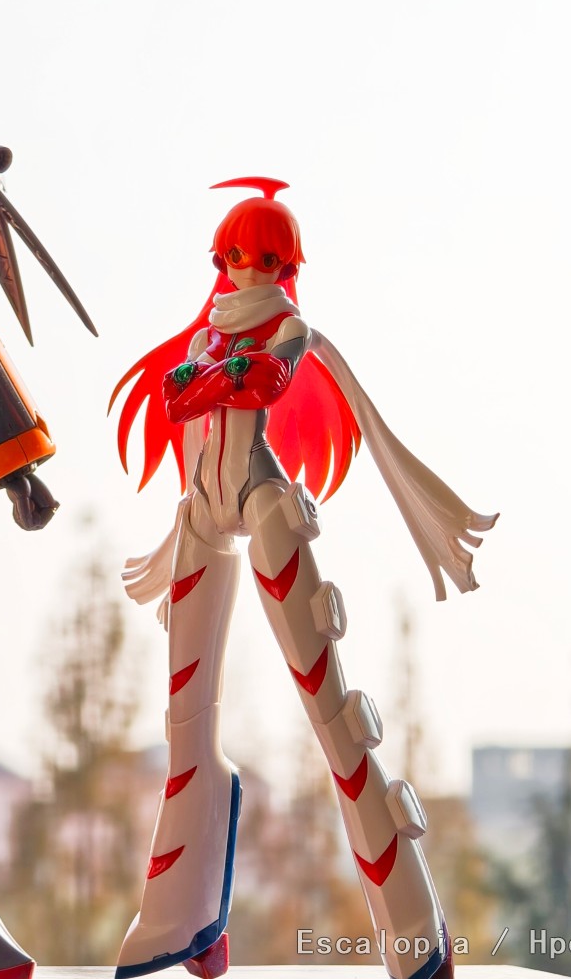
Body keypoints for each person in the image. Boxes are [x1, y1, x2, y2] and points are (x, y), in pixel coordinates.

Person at [110, 178, 495, 979]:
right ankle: (186, 915)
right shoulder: (210, 335)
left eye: (261, 258)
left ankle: (412, 926)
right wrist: (218, 377)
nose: (246, 269)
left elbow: (262, 384)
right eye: (234, 256)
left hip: (263, 499)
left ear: (283, 264)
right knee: (186, 719)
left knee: (332, 710)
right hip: (202, 511)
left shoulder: (287, 329)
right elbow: (183, 399)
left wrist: (215, 380)